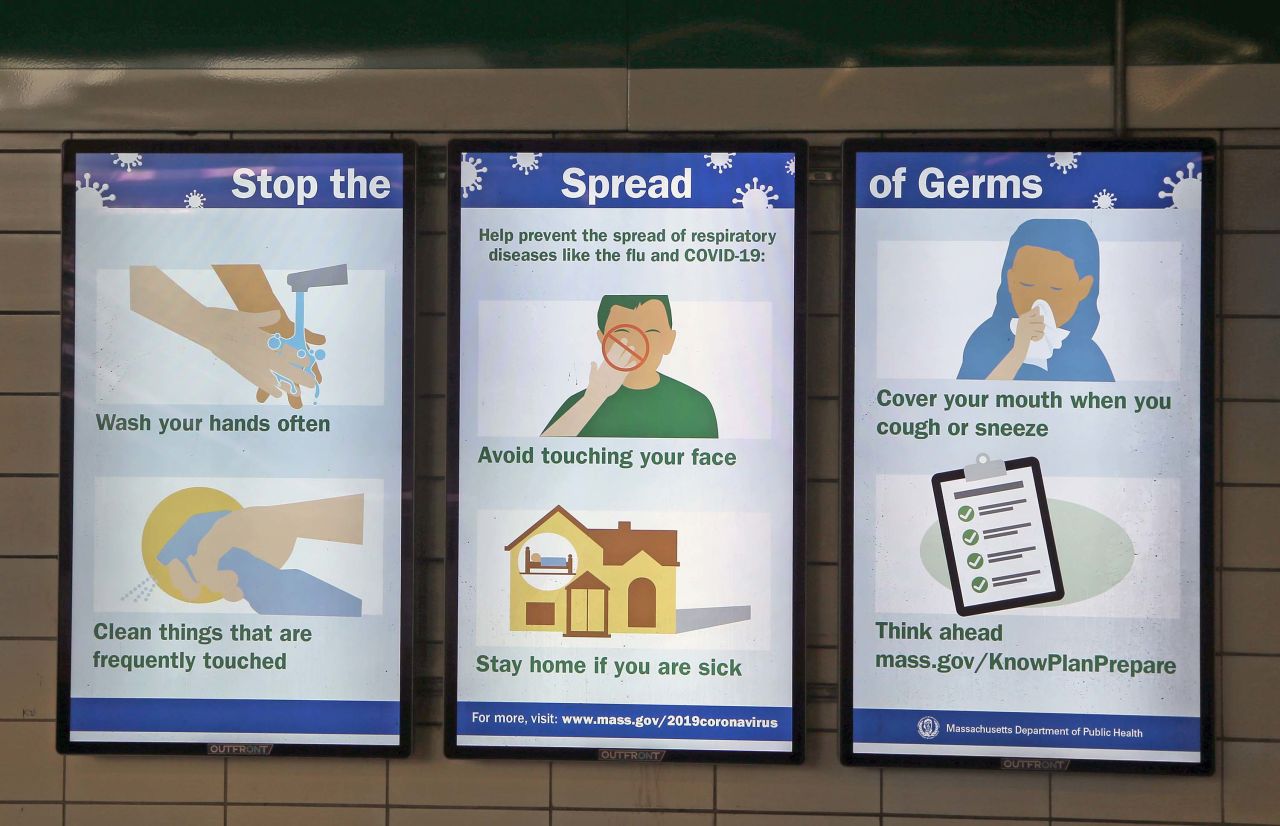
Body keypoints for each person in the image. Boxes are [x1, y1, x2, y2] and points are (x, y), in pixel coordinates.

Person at [957, 219, 1114, 381]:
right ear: (1011, 281)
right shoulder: (988, 339)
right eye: (1026, 284)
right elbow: (968, 400)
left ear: (1083, 289)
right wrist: (1018, 352)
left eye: (1056, 288)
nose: (1039, 299)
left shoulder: (1087, 354)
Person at [543, 295, 718, 438]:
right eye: (622, 333)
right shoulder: (582, 405)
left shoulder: (695, 406)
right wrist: (592, 400)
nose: (637, 345)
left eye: (651, 333)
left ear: (669, 341)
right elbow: (540, 458)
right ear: (602, 340)